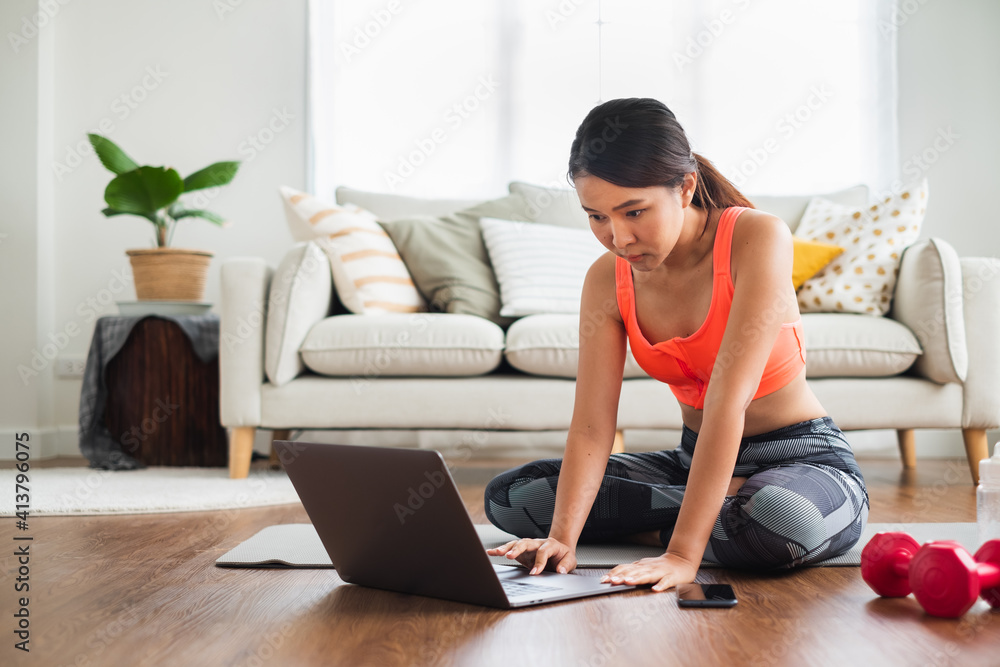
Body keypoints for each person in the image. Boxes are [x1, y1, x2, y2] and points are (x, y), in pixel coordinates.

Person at [484, 98, 870, 592]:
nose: (618, 237)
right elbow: (591, 425)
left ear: (685, 187)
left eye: (634, 211)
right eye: (597, 217)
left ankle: (703, 517)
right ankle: (719, 509)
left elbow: (726, 405)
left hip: (800, 459)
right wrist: (562, 538)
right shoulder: (606, 280)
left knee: (782, 520)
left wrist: (682, 555)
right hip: (693, 462)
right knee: (514, 496)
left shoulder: (757, 237)